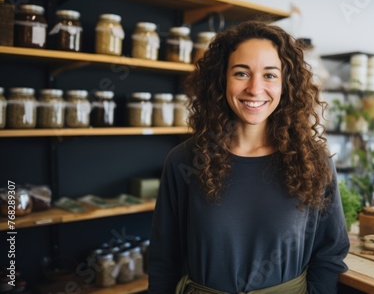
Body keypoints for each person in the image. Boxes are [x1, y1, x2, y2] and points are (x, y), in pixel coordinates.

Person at [148, 20, 350, 294]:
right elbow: (163, 259)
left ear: (286, 84)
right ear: (221, 79)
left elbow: (330, 252)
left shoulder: (313, 161)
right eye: (241, 73)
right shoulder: (184, 161)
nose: (255, 89)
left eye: (269, 75)